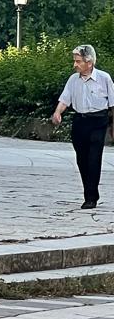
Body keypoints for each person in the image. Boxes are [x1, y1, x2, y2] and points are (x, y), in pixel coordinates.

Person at [52, 44, 114, 210]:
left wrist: (113, 126)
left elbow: (113, 104)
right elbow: (65, 99)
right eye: (75, 61)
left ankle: (91, 197)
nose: (75, 65)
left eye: (78, 61)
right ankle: (89, 190)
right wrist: (58, 112)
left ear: (89, 62)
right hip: (80, 122)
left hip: (99, 121)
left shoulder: (104, 78)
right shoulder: (73, 80)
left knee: (94, 158)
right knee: (82, 160)